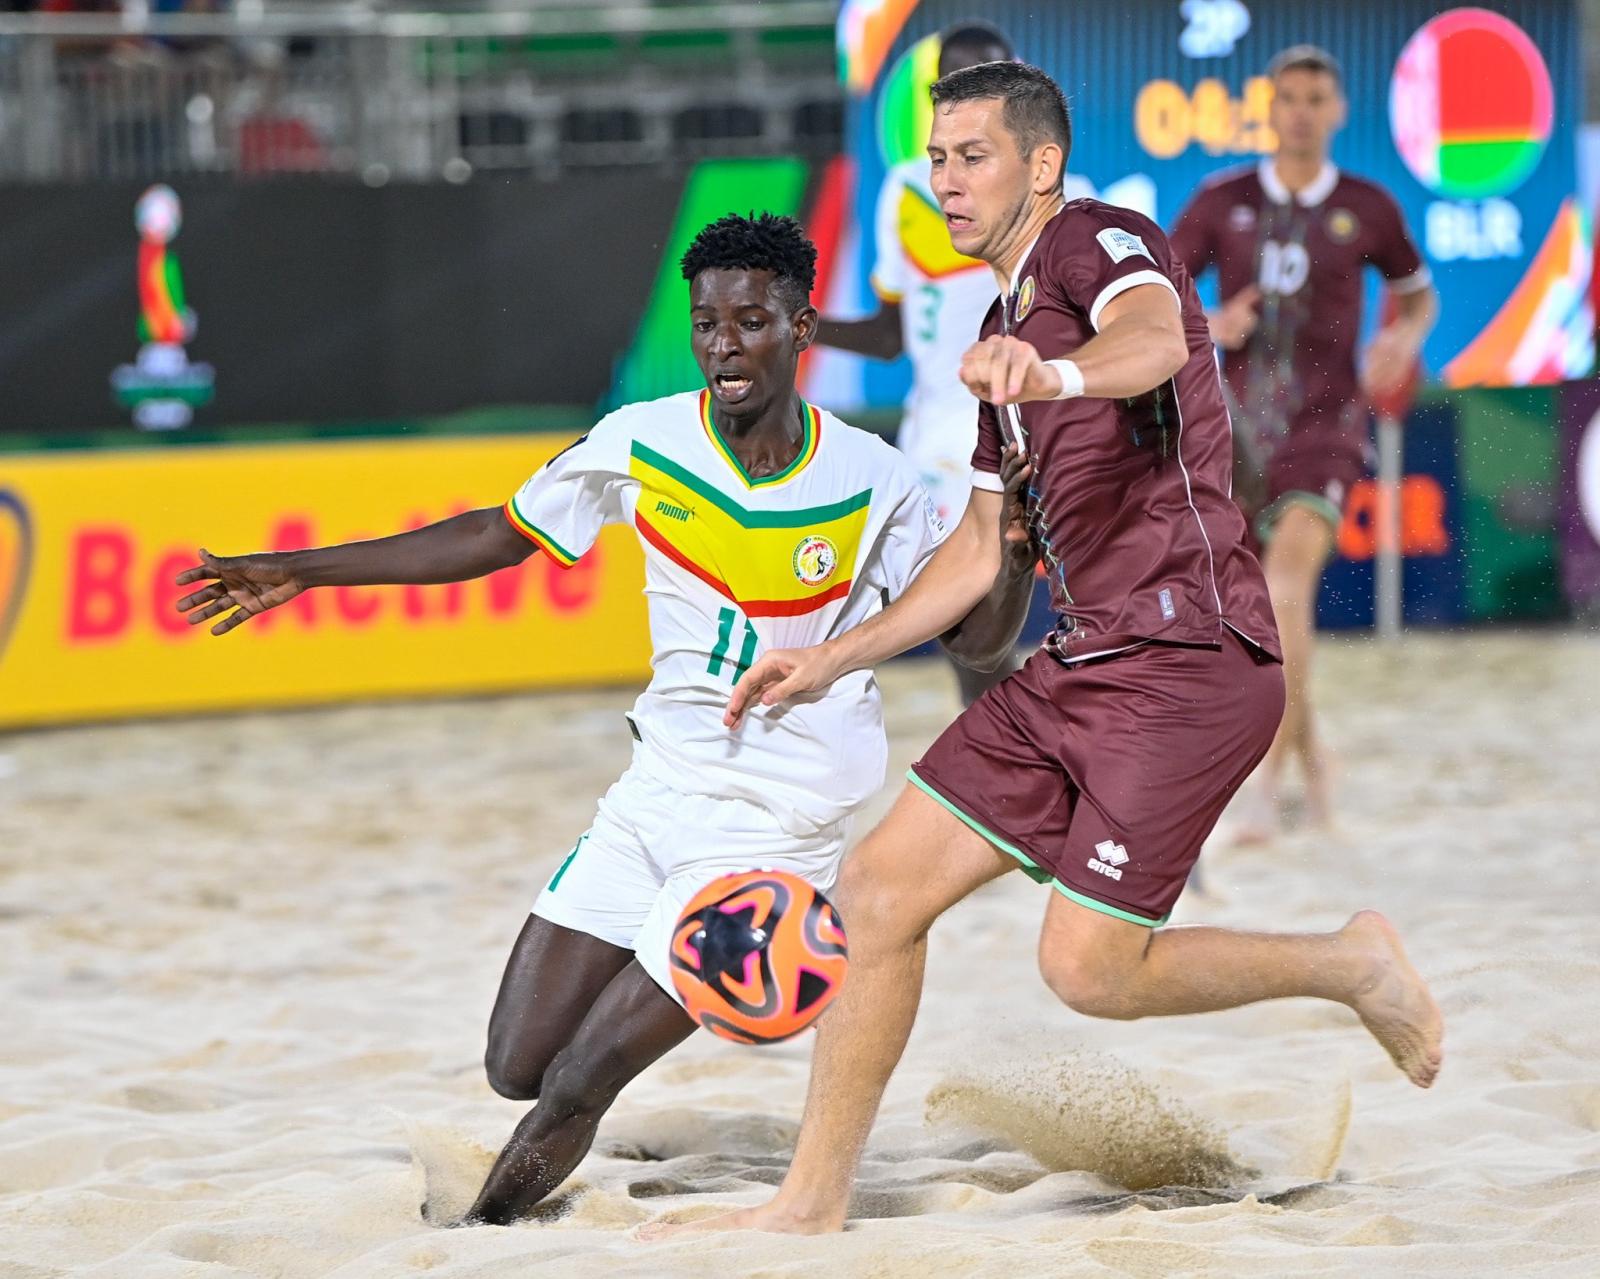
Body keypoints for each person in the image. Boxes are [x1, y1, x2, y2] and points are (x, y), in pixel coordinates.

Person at [652, 62, 1442, 1240]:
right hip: (1082, 662)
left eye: (972, 156)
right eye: (936, 159)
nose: (947, 180)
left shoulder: (1098, 240)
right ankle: (808, 1203)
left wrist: (1057, 371)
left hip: (1191, 657)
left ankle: (1351, 964)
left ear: (1041, 165)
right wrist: (829, 655)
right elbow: (976, 558)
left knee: (1086, 971)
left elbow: (1156, 339)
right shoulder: (995, 329)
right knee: (873, 892)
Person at [172, 213, 1026, 1225]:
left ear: (801, 327)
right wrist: (301, 572)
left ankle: (473, 1238)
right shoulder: (642, 441)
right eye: (706, 323)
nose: (721, 345)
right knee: (515, 1064)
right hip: (651, 800)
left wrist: (1011, 551)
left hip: (774, 832)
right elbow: (497, 533)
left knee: (579, 1080)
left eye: (749, 322)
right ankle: (673, 970)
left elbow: (976, 644)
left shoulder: (876, 480)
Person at [1170, 45, 1438, 841]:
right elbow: (1161, 291)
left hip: (1329, 425)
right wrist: (1208, 324)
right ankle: (1316, 755)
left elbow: (1418, 298)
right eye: (1287, 97)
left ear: (1338, 110)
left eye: (1315, 98)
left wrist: (1404, 340)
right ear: (1270, 109)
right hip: (1240, 433)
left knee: (1285, 592)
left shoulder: (1369, 205)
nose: (1300, 111)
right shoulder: (1223, 200)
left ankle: (1271, 785)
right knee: (1258, 612)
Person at [818, 21, 1093, 706]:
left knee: (1073, 629)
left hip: (1048, 435)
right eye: (953, 84)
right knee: (970, 633)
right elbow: (888, 338)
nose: (968, 98)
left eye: (987, 81)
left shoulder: (1064, 191)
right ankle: (1014, 762)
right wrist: (799, 324)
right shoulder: (909, 193)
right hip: (944, 440)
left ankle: (1026, 762)